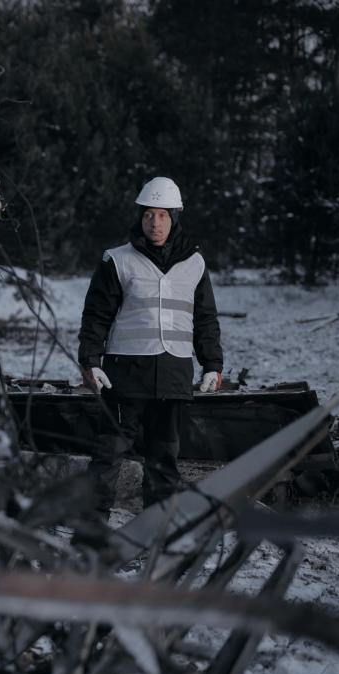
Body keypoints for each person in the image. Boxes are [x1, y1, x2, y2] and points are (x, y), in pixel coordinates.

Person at [77, 176, 223, 512]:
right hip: (124, 377)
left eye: (162, 215)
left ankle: (156, 535)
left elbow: (205, 319)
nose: (154, 223)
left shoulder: (195, 264)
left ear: (174, 217)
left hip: (172, 377)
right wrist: (90, 361)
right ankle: (91, 532)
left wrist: (213, 365)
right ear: (140, 217)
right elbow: (96, 315)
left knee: (164, 464)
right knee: (107, 457)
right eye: (148, 215)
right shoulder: (117, 260)